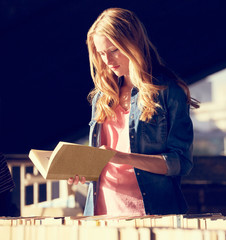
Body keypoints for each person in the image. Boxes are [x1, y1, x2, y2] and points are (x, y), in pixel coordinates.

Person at [67, 7, 199, 217]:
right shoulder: (102, 97)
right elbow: (103, 159)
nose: (108, 61)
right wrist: (81, 169)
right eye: (101, 54)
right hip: (102, 215)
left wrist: (124, 158)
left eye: (114, 50)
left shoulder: (169, 92)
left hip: (153, 215)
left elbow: (181, 162)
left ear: (133, 44)